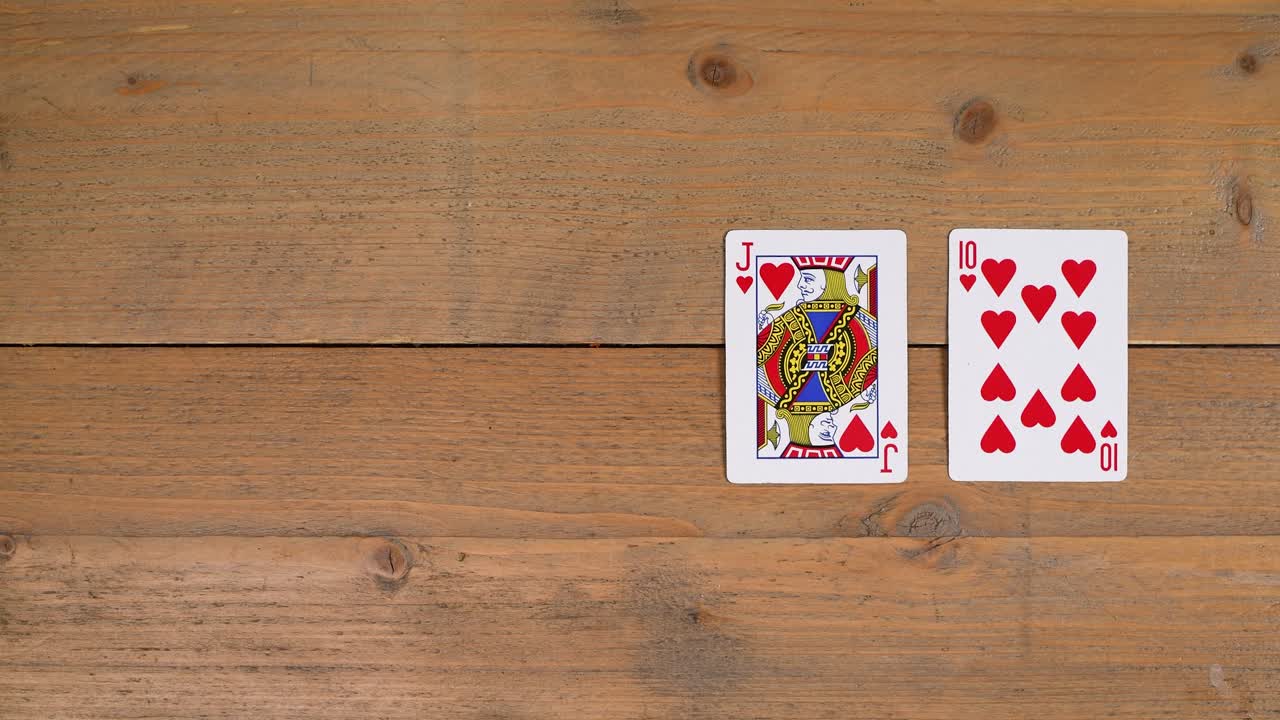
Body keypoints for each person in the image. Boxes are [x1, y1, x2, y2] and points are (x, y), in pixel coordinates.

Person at [756, 256, 878, 459]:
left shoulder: (862, 323)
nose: (799, 285)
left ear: (828, 282)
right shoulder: (790, 320)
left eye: (808, 279)